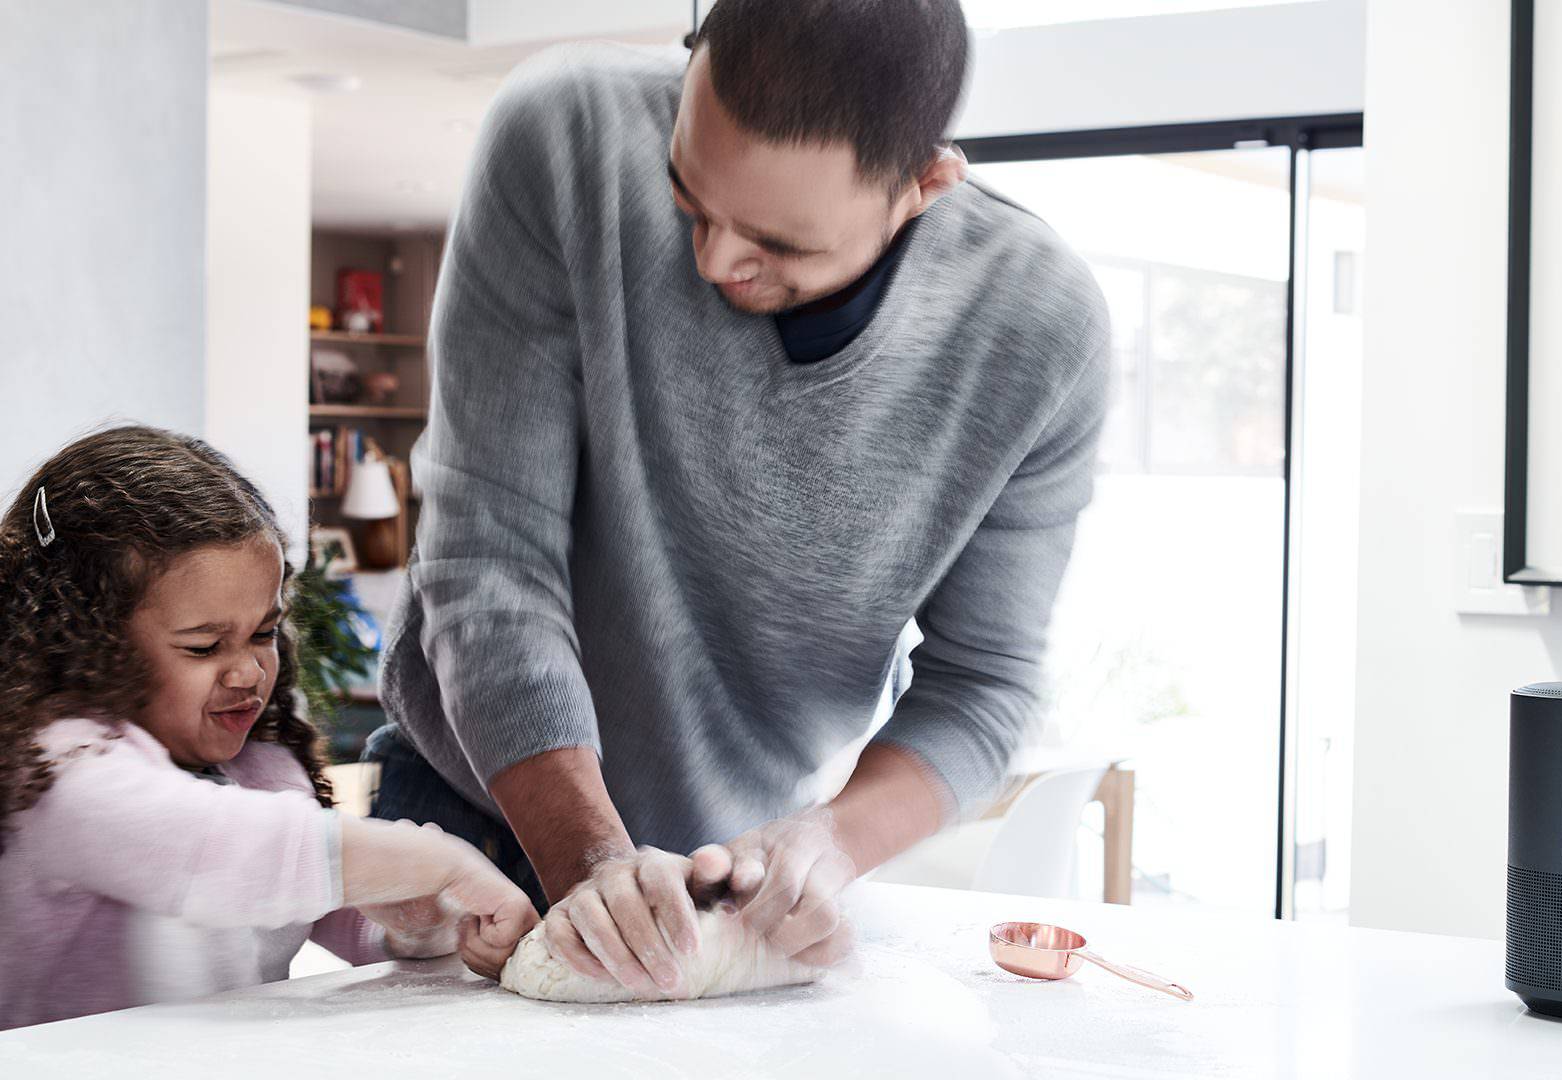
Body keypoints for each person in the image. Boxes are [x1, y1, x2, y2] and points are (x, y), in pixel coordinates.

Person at [372, 0, 1110, 993]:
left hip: (738, 874)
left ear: (923, 188)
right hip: (480, 814)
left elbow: (981, 685)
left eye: (779, 245)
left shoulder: (1039, 331)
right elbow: (488, 559)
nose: (715, 261)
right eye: (689, 197)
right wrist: (589, 864)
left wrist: (829, 847)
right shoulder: (563, 135)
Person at [0, 426, 538, 1029]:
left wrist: (418, 925)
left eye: (264, 633)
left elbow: (335, 910)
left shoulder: (262, 771)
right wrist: (441, 860)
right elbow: (217, 850)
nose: (250, 671)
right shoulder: (57, 773)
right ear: (87, 647)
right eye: (204, 646)